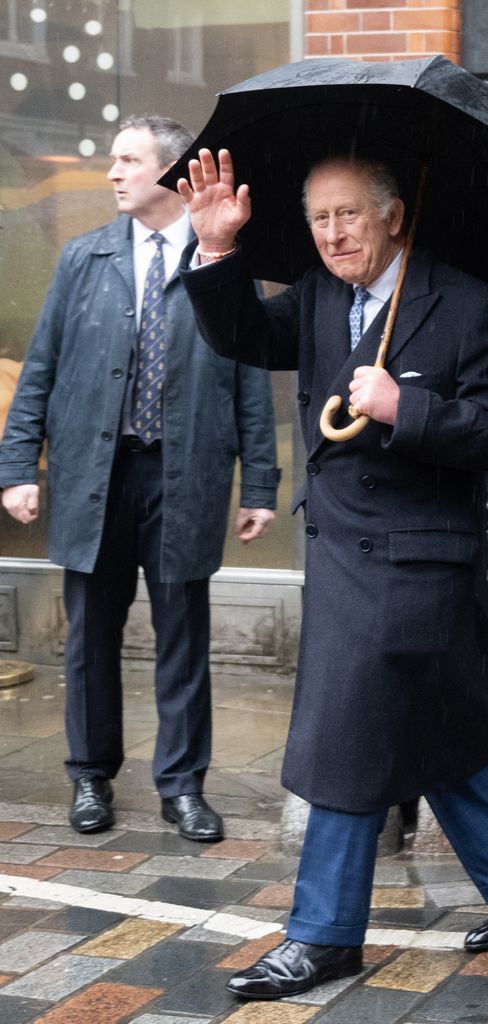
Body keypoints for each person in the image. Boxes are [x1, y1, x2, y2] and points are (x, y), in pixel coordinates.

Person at [176, 148, 488, 1001]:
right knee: (420, 726)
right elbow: (246, 336)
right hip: (338, 551)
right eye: (319, 218)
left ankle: (323, 937)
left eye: (349, 214)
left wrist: (408, 409)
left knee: (345, 734)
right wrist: (215, 253)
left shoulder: (469, 304)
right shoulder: (321, 295)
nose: (331, 235)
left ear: (394, 214)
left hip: (414, 559)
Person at [0, 116, 279, 843]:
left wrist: (258, 485)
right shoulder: (82, 257)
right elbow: (42, 370)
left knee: (184, 635)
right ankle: (90, 777)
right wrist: (16, 467)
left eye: (128, 160)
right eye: (114, 159)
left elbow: (249, 376)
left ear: (170, 172)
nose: (114, 173)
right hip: (96, 473)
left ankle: (182, 787)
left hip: (183, 475)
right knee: (90, 634)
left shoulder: (220, 260)